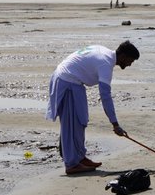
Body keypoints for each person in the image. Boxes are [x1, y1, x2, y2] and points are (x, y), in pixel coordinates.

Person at [46, 41, 140, 175]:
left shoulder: (105, 53)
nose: (130, 64)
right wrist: (115, 124)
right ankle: (72, 164)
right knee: (71, 124)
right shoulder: (105, 64)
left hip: (73, 82)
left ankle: (80, 157)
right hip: (66, 82)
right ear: (124, 56)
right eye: (131, 60)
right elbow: (105, 97)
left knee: (81, 121)